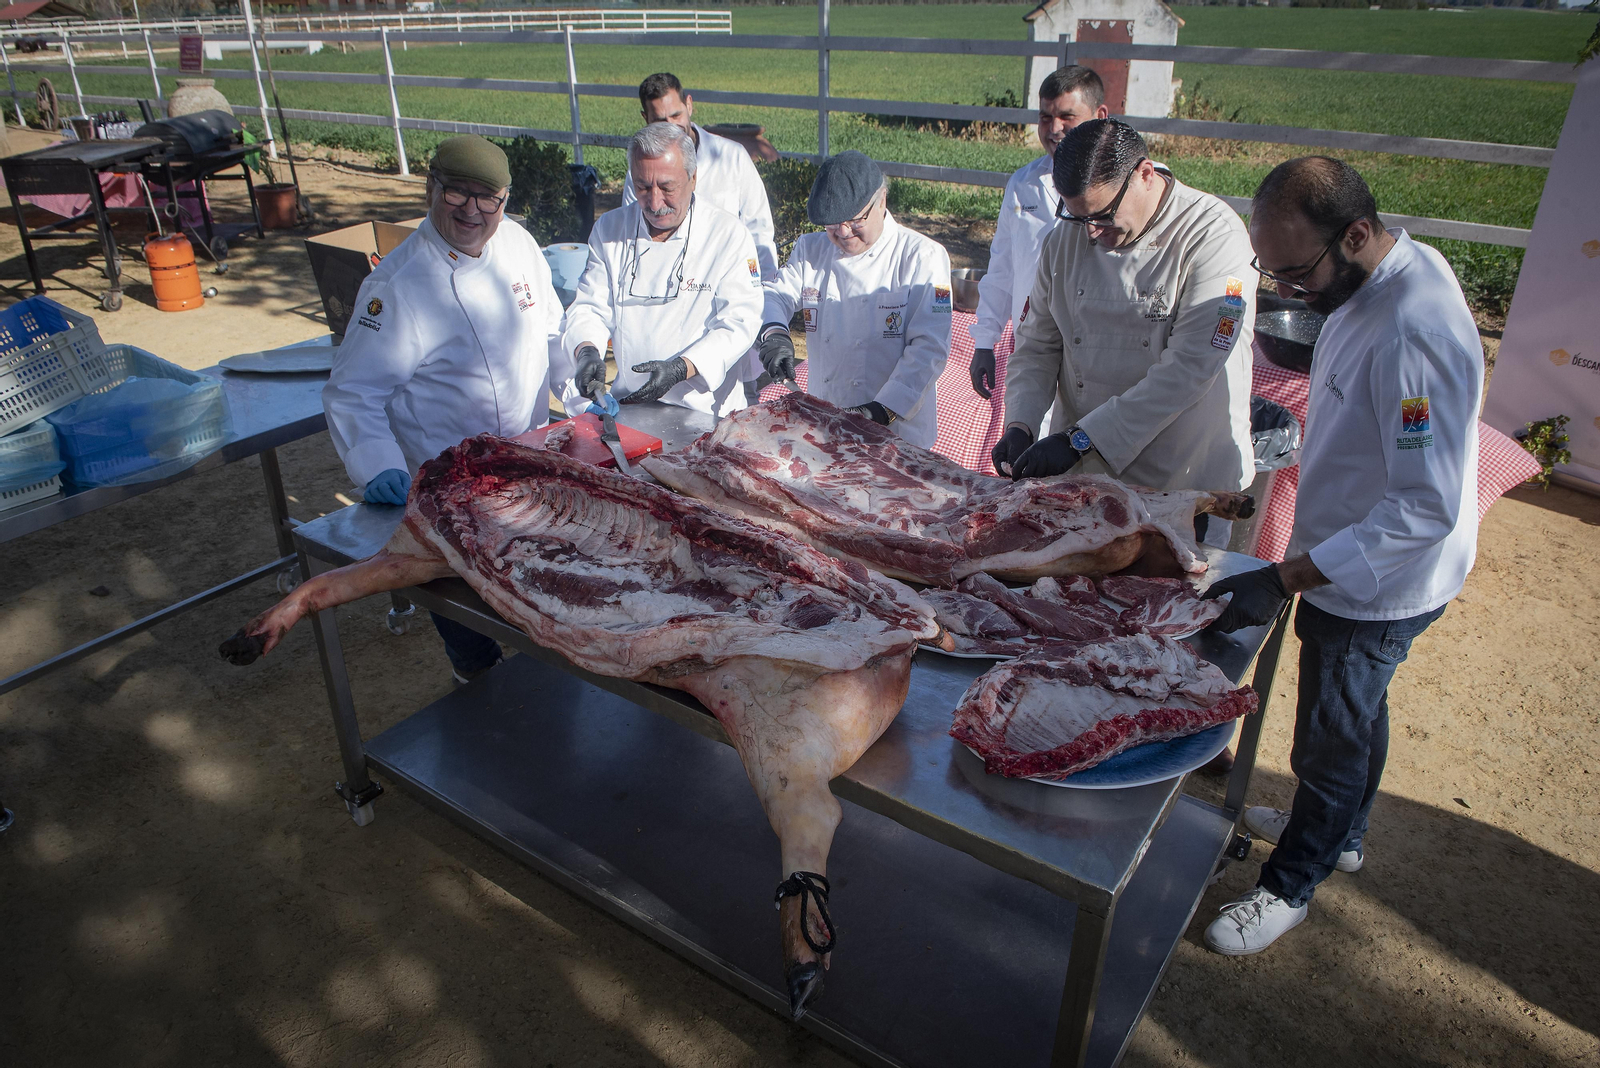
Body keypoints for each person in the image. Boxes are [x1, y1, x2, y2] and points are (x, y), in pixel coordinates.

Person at [1201, 157, 1482, 956]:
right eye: (1271, 270)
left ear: (1356, 235)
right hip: (1347, 549)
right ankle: (1344, 832)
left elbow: (1421, 506)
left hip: (1377, 581)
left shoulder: (1413, 333)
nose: (1285, 289)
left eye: (1296, 271)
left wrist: (1287, 575)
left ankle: (1291, 883)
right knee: (1361, 710)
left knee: (1329, 734)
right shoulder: (1384, 270)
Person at [322, 134, 566, 685]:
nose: (473, 211)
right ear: (431, 186)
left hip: (531, 474)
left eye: (489, 198)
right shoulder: (399, 286)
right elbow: (352, 392)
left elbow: (553, 332)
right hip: (447, 489)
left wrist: (580, 386)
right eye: (458, 193)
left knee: (544, 606)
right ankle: (473, 685)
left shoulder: (521, 247)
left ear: (505, 200)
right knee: (469, 621)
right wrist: (375, 463)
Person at [991, 119, 1256, 517]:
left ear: (1145, 175)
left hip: (1182, 479)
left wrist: (1081, 440)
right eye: (1078, 217)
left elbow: (1190, 368)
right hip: (1081, 475)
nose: (1092, 234)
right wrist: (1021, 422)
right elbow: (1038, 345)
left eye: (1103, 215)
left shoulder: (1214, 235)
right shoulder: (1064, 238)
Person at [560, 122, 763, 418]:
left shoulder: (727, 234)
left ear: (693, 179)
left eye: (667, 188)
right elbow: (590, 307)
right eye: (643, 187)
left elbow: (740, 321)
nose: (655, 203)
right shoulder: (610, 229)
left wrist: (683, 368)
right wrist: (587, 349)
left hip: (705, 411)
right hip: (629, 406)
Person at [756, 151, 952, 449]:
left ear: (881, 200)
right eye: (832, 224)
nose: (843, 232)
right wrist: (774, 333)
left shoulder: (922, 256)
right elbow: (776, 293)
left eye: (855, 219)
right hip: (827, 426)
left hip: (898, 432)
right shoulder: (811, 250)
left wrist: (881, 410)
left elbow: (929, 347)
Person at [969, 65, 1107, 400]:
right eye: (1045, 117)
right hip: (1034, 344)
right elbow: (1004, 266)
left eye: (1067, 116)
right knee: (1028, 439)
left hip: (1102, 351)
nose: (1054, 128)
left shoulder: (1124, 184)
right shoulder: (1023, 184)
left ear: (1100, 115)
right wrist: (985, 341)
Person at [623, 72, 779, 282]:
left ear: (689, 105)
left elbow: (758, 231)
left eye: (676, 116)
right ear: (645, 119)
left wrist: (761, 285)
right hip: (667, 283)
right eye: (660, 121)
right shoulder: (640, 173)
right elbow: (633, 232)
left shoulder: (732, 157)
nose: (670, 126)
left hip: (729, 279)